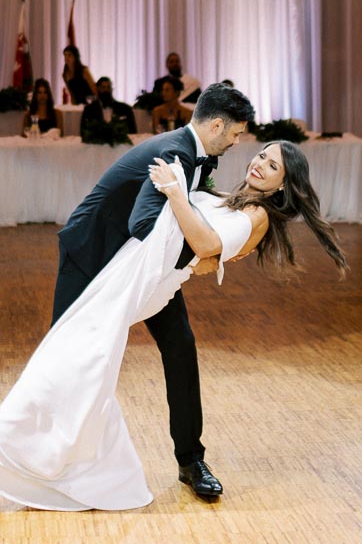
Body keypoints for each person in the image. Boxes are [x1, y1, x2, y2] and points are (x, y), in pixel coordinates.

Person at [0, 139, 345, 511]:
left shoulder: (258, 214)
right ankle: (44, 455)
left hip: (159, 281)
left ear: (282, 185)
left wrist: (177, 195)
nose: (259, 164)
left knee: (169, 355)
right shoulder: (232, 198)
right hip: (150, 274)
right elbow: (201, 249)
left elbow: (207, 247)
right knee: (99, 355)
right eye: (261, 155)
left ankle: (189, 462)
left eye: (272, 165)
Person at [51, 82, 254, 501]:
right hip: (91, 259)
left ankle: (190, 461)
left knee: (180, 347)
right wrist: (202, 259)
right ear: (217, 125)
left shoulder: (194, 151)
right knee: (67, 360)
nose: (237, 142)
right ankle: (54, 460)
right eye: (235, 134)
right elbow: (143, 224)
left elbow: (187, 203)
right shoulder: (175, 152)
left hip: (142, 268)